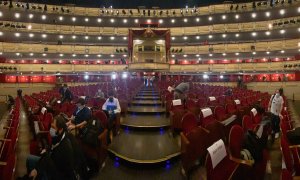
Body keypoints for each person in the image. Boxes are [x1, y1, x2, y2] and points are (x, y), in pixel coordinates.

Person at [25, 115, 76, 180]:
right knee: (29, 159)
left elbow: (54, 166)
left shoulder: (65, 146)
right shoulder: (57, 137)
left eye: (53, 127)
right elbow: (49, 154)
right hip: (50, 163)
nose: (51, 129)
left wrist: (38, 170)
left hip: (56, 174)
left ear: (60, 129)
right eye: (51, 126)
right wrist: (37, 169)